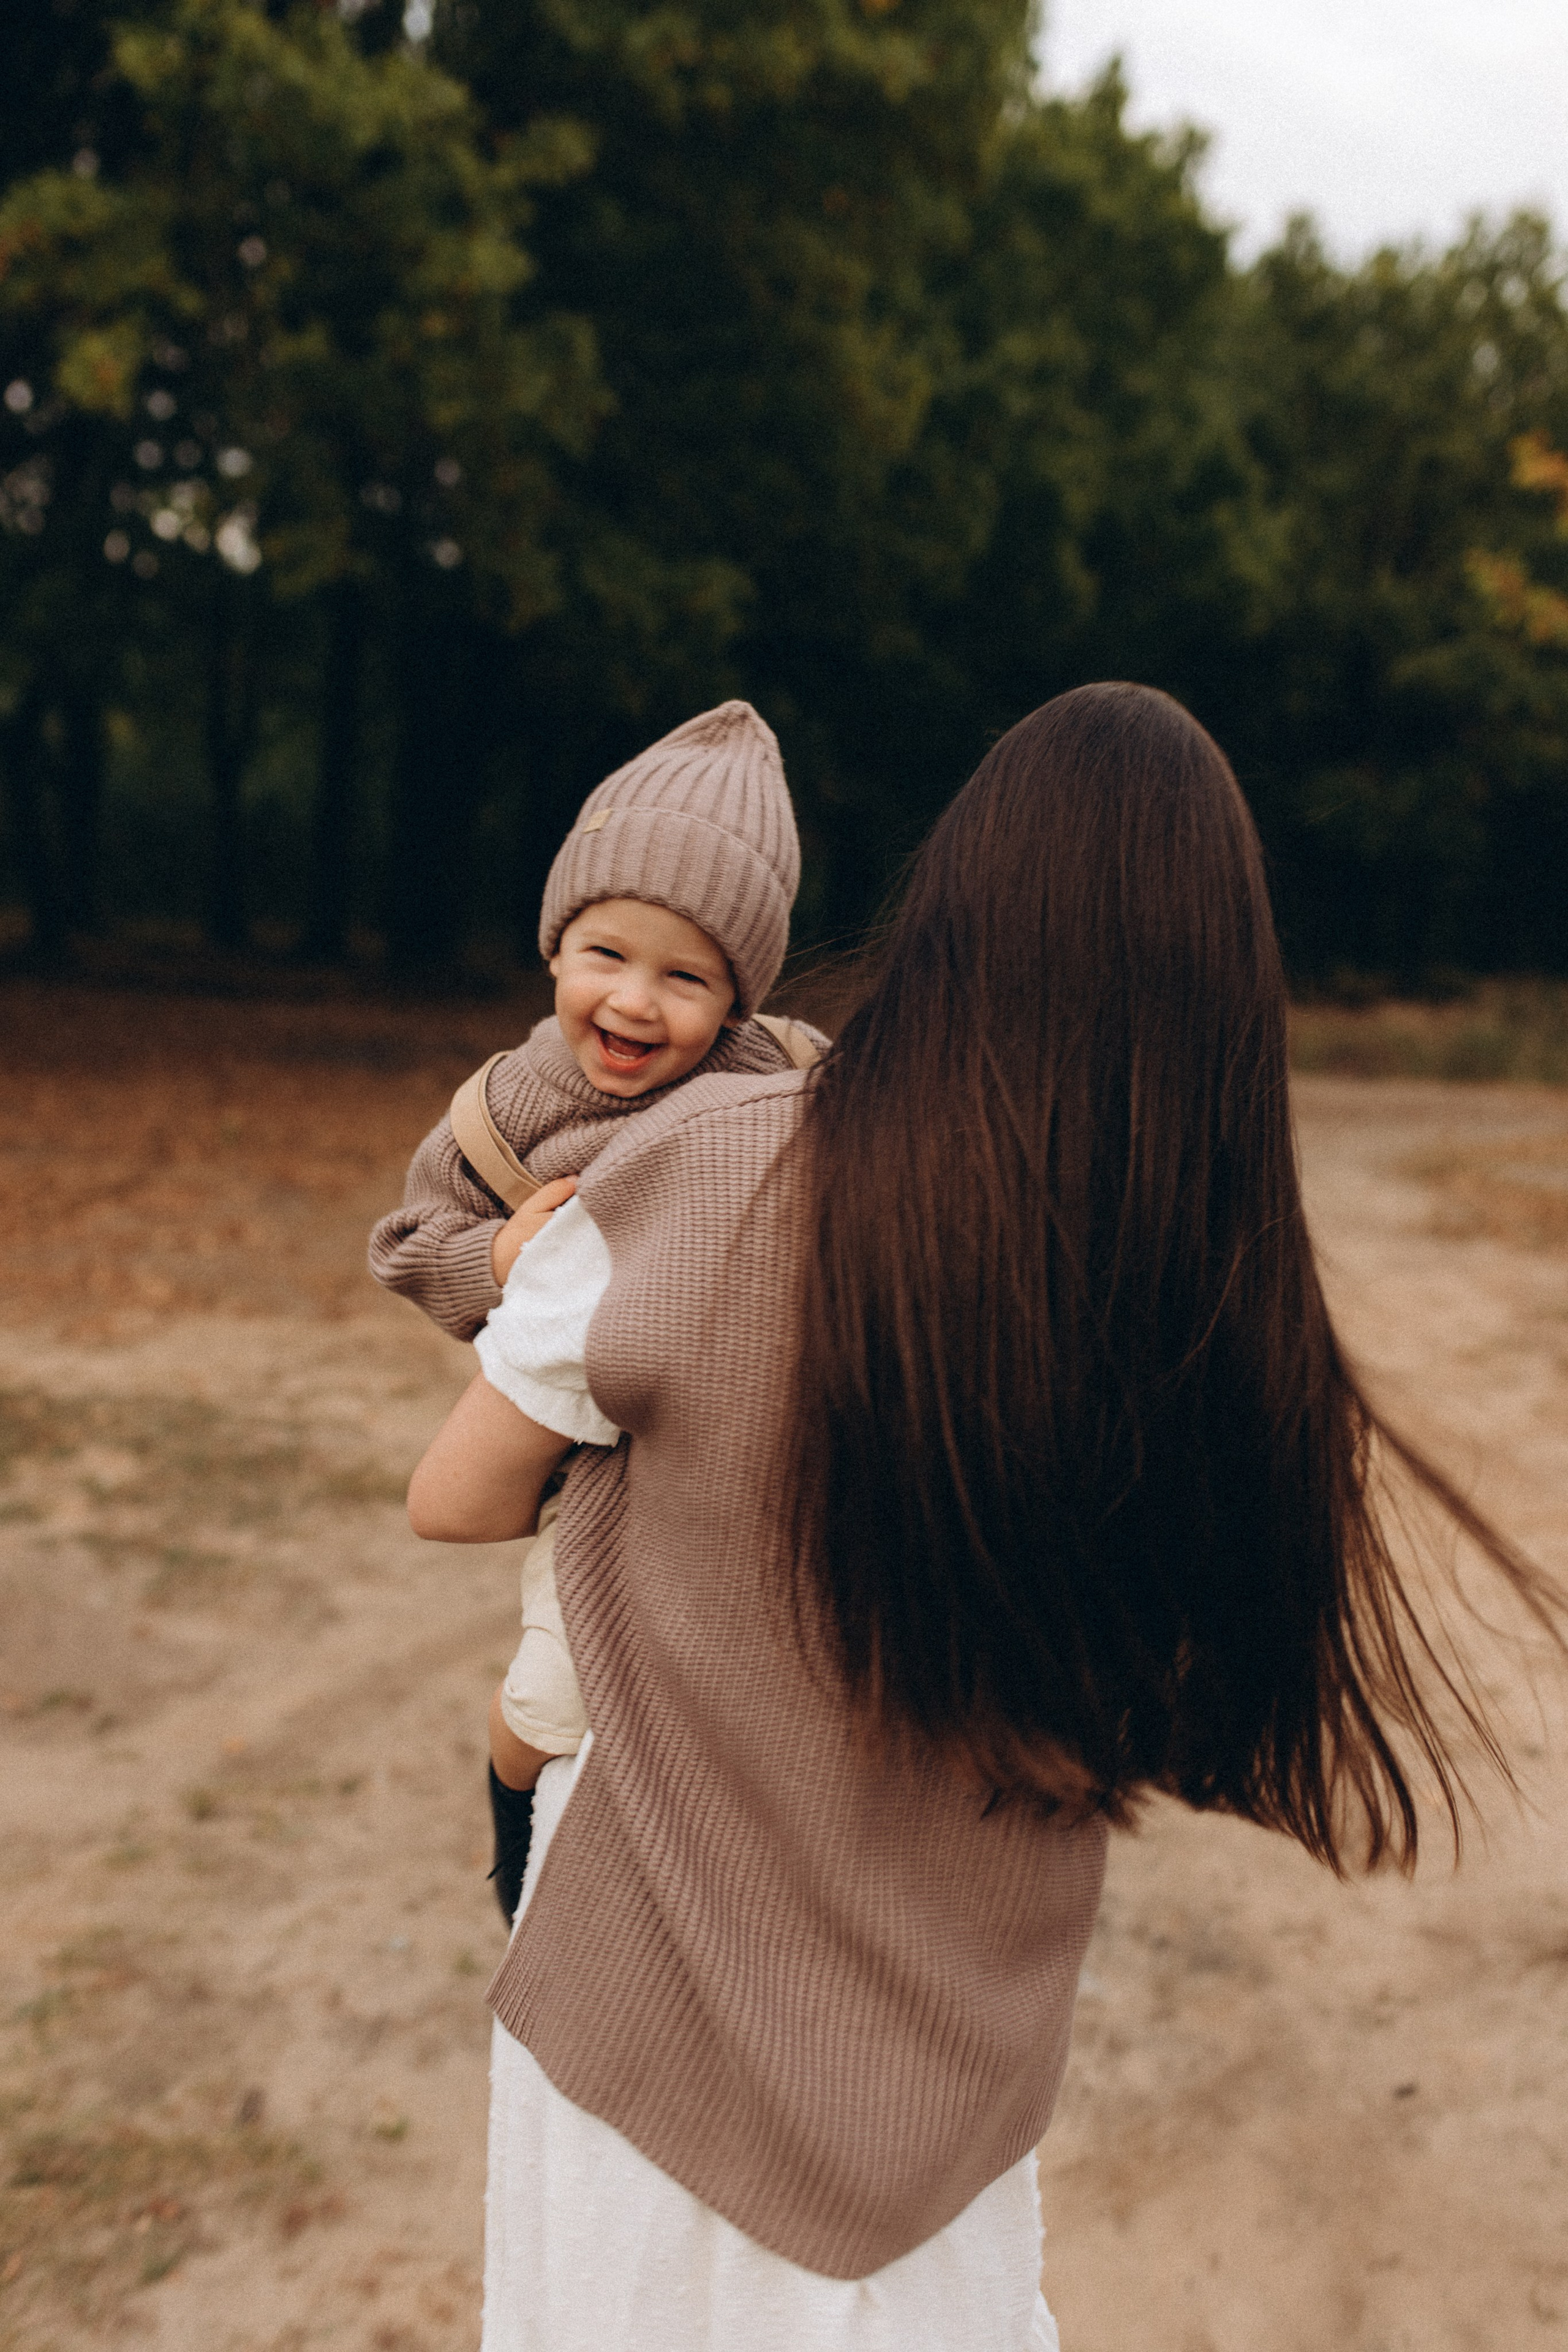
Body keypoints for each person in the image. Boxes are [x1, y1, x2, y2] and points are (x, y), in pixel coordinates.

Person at [407, 684, 1553, 2351]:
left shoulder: (713, 1163)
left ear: (948, 911)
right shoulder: (1202, 1297)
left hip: (649, 2024)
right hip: (942, 2108)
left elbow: (456, 1498)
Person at [368, 699, 824, 1910]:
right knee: (555, 1694)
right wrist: (496, 1259)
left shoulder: (782, 1074)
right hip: (589, 1454)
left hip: (740, 1431)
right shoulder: (504, 1111)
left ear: (738, 1002)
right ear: (554, 948)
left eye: (686, 977)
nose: (633, 1002)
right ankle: (513, 1795)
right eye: (605, 956)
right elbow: (408, 1243)